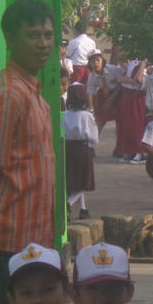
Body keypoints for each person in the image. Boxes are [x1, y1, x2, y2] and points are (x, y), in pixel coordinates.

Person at [0, 0, 56, 304]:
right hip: (4, 245)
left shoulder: (37, 97)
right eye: (33, 35)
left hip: (33, 243)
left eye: (48, 35)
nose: (43, 44)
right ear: (8, 37)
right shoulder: (7, 95)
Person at [63, 84, 98, 220]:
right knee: (84, 181)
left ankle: (83, 209)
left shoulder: (64, 114)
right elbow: (94, 137)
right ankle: (68, 203)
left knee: (73, 180)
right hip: (83, 149)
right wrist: (92, 146)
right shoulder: (87, 116)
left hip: (67, 149)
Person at [85, 51, 122, 133]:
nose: (96, 63)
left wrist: (112, 98)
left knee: (120, 122)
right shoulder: (91, 77)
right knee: (99, 121)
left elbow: (121, 84)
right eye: (92, 61)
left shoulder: (113, 69)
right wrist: (92, 109)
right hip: (104, 96)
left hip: (118, 95)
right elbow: (91, 93)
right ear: (89, 64)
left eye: (98, 60)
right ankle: (93, 141)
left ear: (103, 60)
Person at [65, 20, 97, 85]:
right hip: (88, 68)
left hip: (76, 69)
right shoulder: (92, 42)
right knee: (86, 88)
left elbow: (67, 54)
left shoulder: (74, 42)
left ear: (76, 30)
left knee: (74, 87)